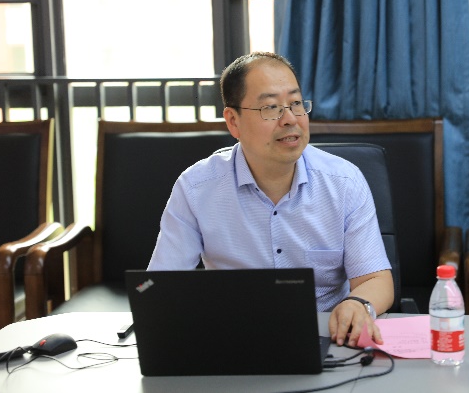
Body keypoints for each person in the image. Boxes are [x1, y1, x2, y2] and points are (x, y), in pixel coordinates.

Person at [147, 51, 394, 347]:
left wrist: (358, 304)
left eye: (296, 103)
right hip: (234, 340)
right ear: (233, 121)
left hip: (330, 336)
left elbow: (375, 279)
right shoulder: (196, 188)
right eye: (270, 108)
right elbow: (162, 285)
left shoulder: (344, 182)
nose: (289, 119)